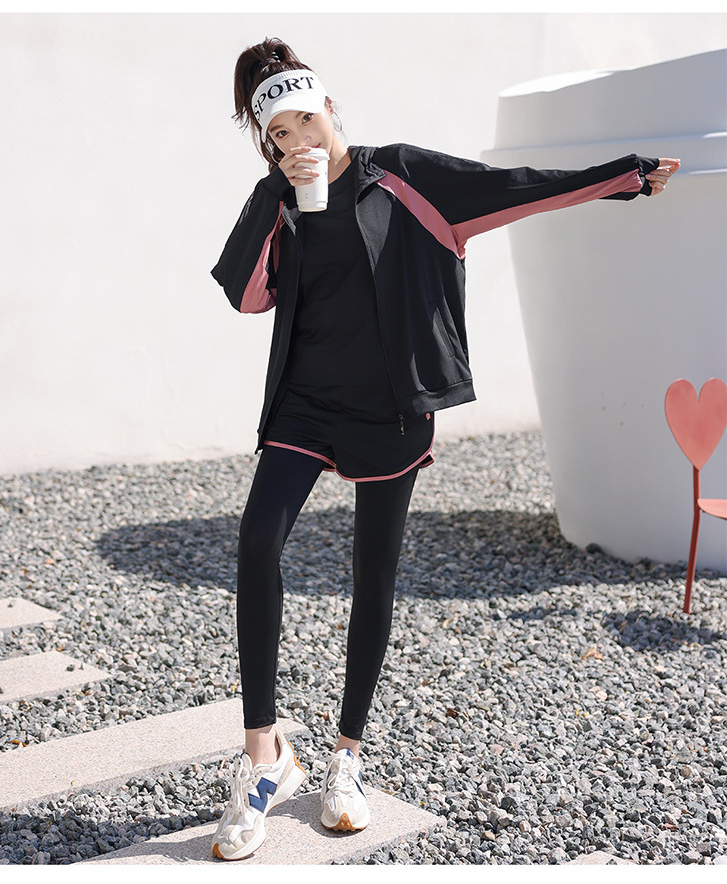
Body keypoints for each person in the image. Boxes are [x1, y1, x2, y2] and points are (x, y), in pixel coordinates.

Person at [209, 37, 680, 861]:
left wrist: (624, 177)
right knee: (256, 543)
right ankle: (264, 759)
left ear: (329, 107)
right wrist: (274, 195)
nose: (296, 141)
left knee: (374, 571)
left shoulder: (405, 176)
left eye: (304, 121)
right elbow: (246, 296)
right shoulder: (278, 198)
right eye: (278, 134)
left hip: (390, 409)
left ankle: (347, 758)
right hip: (304, 404)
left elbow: (516, 189)